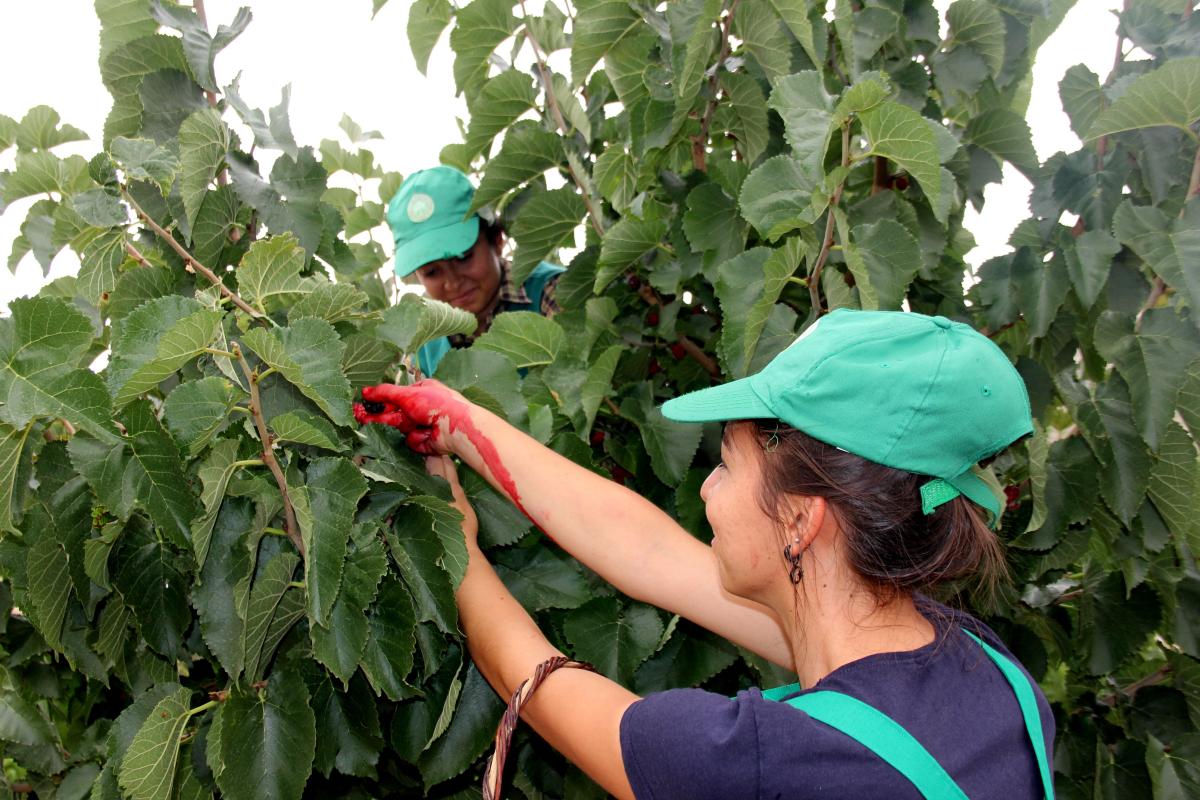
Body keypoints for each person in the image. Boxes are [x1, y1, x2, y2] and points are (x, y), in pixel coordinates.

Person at [354, 308, 1055, 800]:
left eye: (724, 464)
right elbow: (653, 551)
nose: (708, 491)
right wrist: (462, 425)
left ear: (801, 522)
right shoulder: (986, 667)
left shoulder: (759, 761)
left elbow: (528, 675)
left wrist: (457, 540)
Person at [387, 165, 565, 376]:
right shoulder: (422, 345)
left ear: (496, 240)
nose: (452, 282)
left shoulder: (552, 292)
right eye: (432, 272)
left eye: (463, 258)